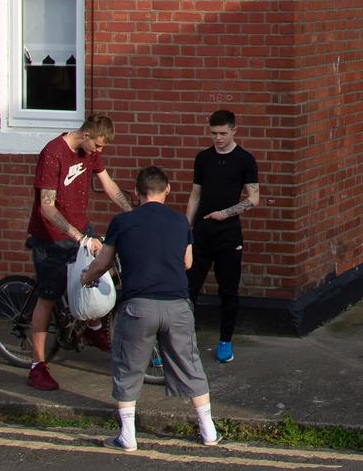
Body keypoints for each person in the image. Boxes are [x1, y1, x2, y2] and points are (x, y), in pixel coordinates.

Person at [81, 165, 220, 450]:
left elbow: (103, 262)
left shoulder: (122, 222)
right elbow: (188, 263)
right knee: (190, 364)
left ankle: (128, 436)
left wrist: (87, 278)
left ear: (136, 193)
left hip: (138, 307)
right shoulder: (181, 222)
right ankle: (208, 431)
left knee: (128, 367)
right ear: (167, 190)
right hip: (177, 306)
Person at [22, 112, 132, 392]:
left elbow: (108, 184)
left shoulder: (90, 153)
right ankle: (37, 367)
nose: (99, 151)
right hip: (51, 238)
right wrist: (79, 237)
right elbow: (46, 207)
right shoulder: (53, 153)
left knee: (96, 274)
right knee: (48, 297)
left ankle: (93, 329)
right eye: (97, 145)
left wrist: (133, 214)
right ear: (85, 135)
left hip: (81, 229)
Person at [185, 108, 259, 364]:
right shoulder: (203, 158)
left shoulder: (245, 160)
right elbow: (196, 193)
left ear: (233, 131)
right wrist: (187, 227)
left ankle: (225, 340)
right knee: (189, 287)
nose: (218, 138)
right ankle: (181, 341)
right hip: (202, 231)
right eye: (214, 133)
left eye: (223, 133)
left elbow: (253, 198)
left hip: (228, 233)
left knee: (228, 289)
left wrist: (225, 213)